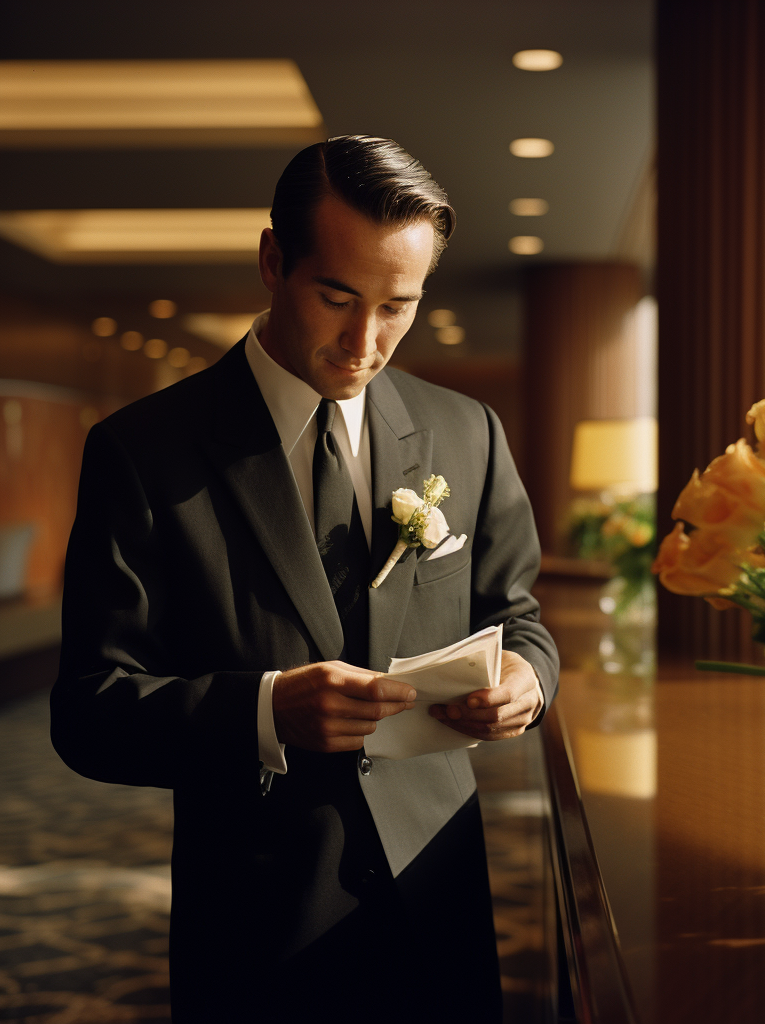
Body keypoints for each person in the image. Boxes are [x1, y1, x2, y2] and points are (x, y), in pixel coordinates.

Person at [50, 135, 559, 1023]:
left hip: (440, 900)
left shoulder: (467, 431)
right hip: (255, 923)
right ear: (274, 260)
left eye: (398, 307)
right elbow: (89, 710)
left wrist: (528, 683)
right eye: (337, 298)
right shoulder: (142, 452)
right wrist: (264, 711)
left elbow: (521, 618)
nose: (365, 342)